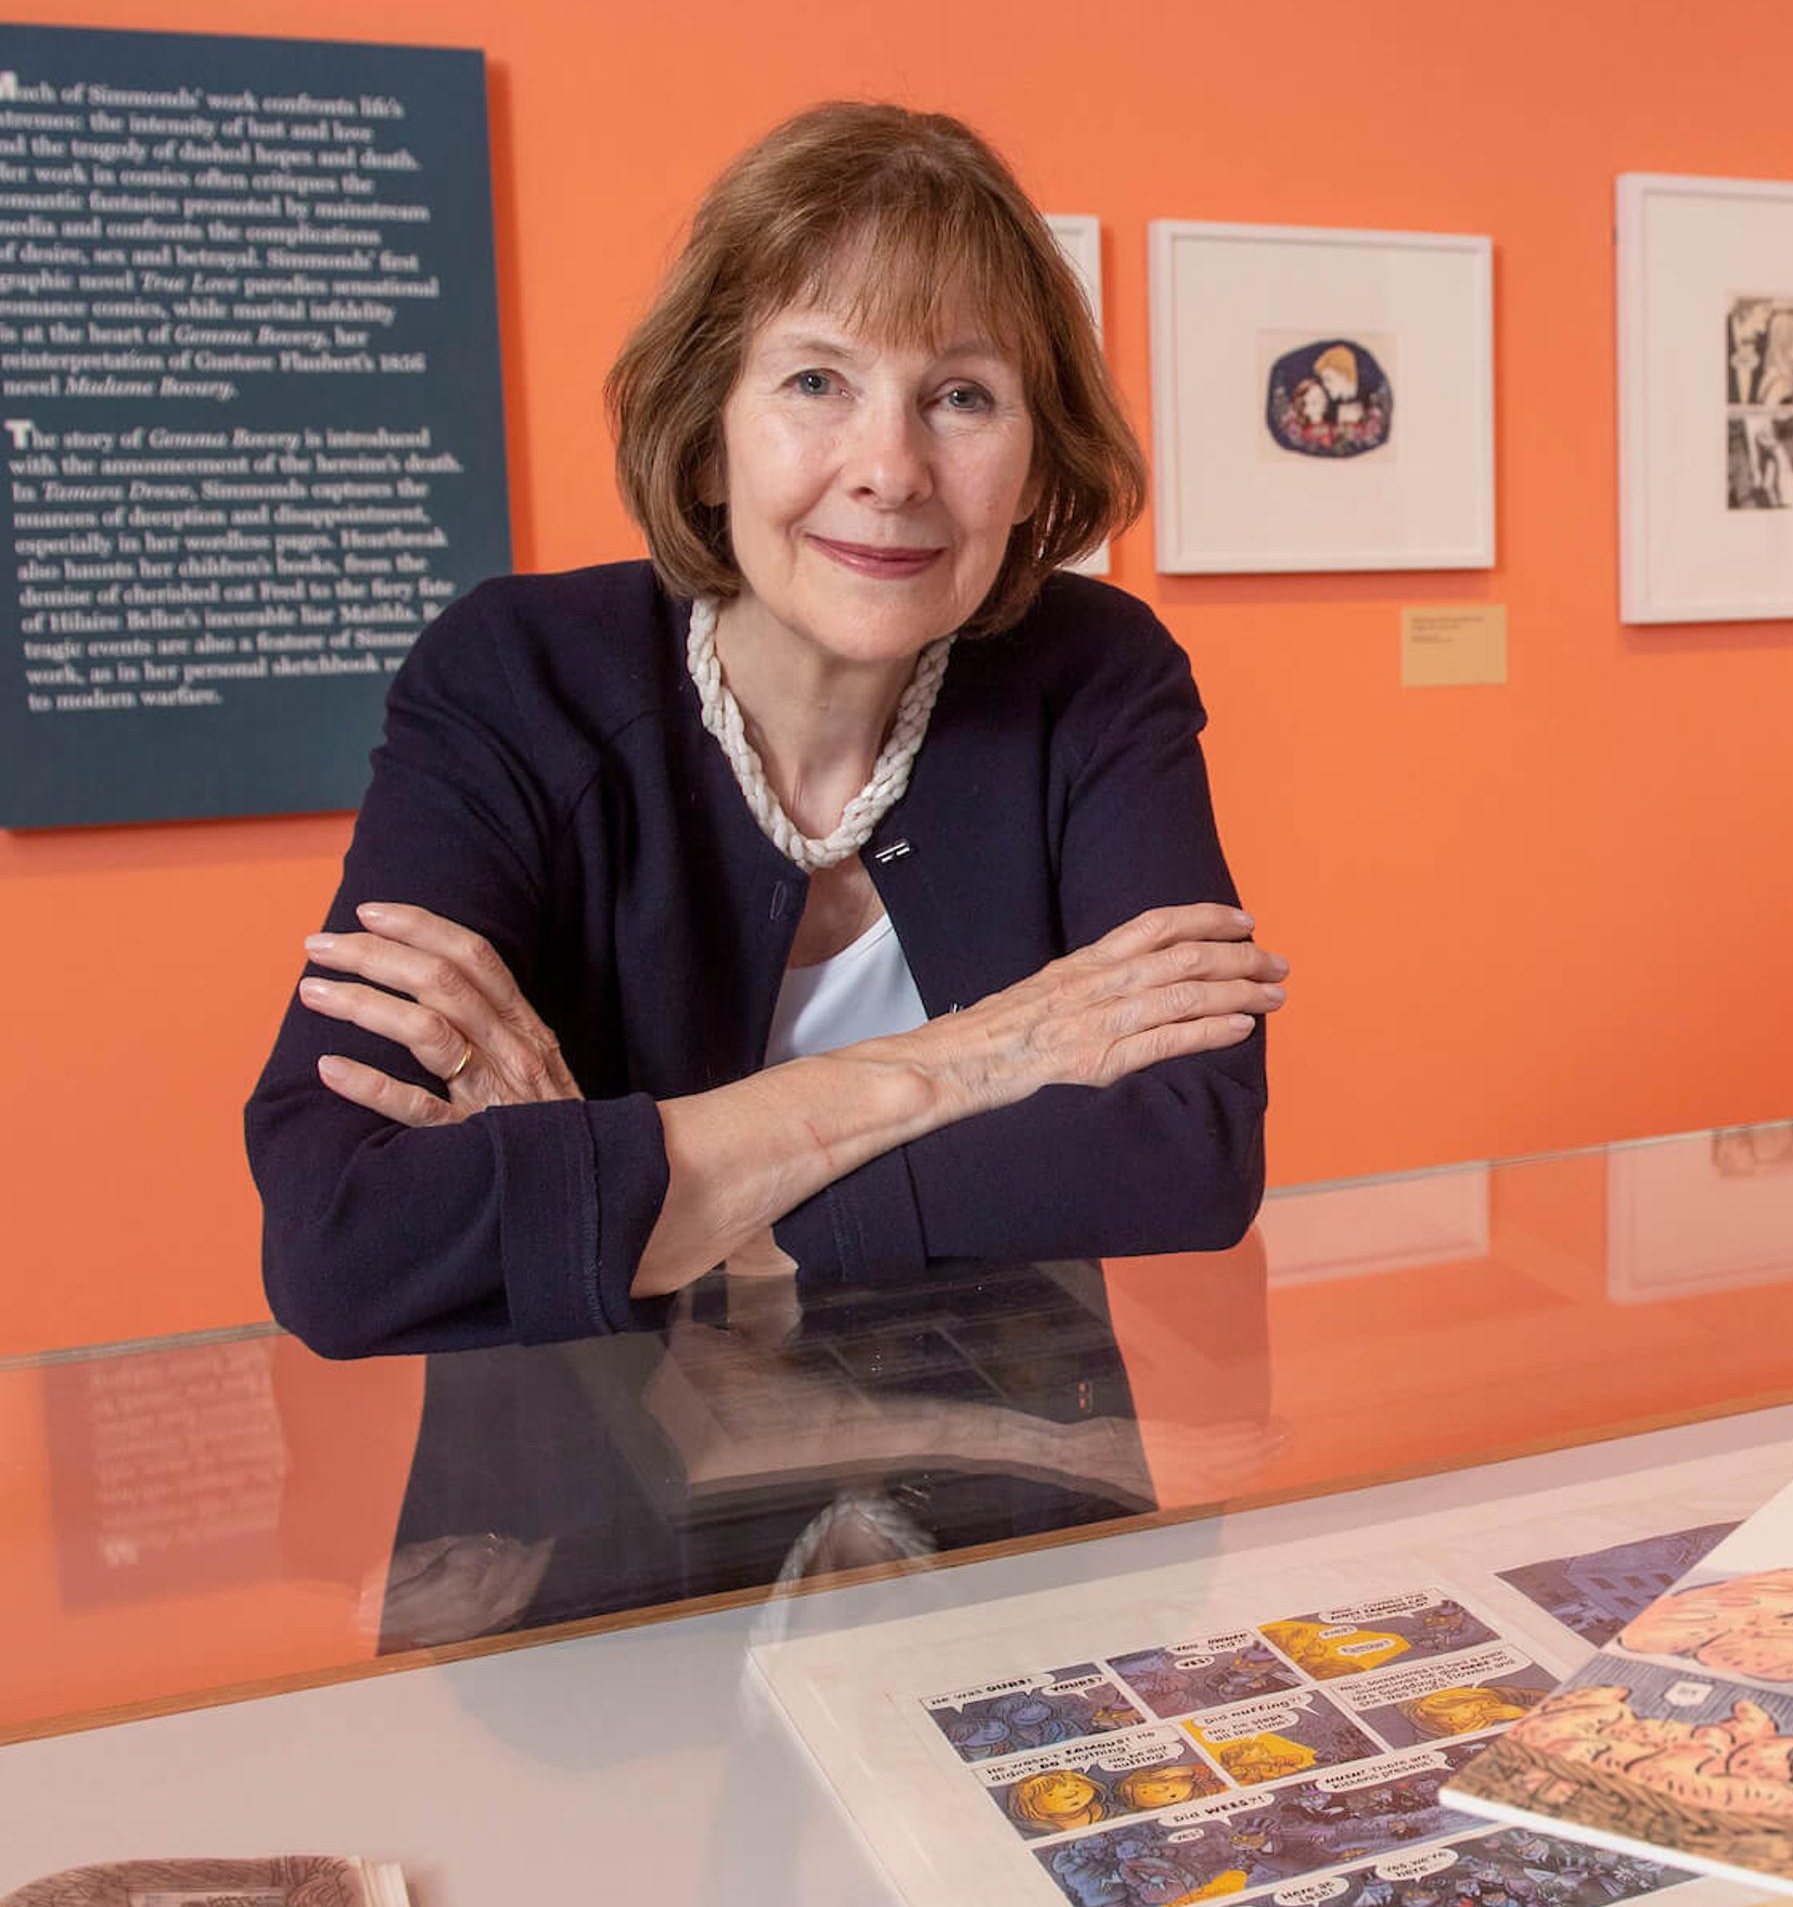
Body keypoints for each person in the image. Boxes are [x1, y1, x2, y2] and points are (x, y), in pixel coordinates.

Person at [245, 103, 1283, 1360]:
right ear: (708, 435)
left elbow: (1189, 1155)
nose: (891, 469)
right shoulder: (516, 678)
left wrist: (630, 1204)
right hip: (590, 1508)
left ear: (1034, 458)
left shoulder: (1098, 677)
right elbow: (346, 1238)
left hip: (1014, 1500)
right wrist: (961, 1063)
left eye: (960, 394)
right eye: (815, 381)